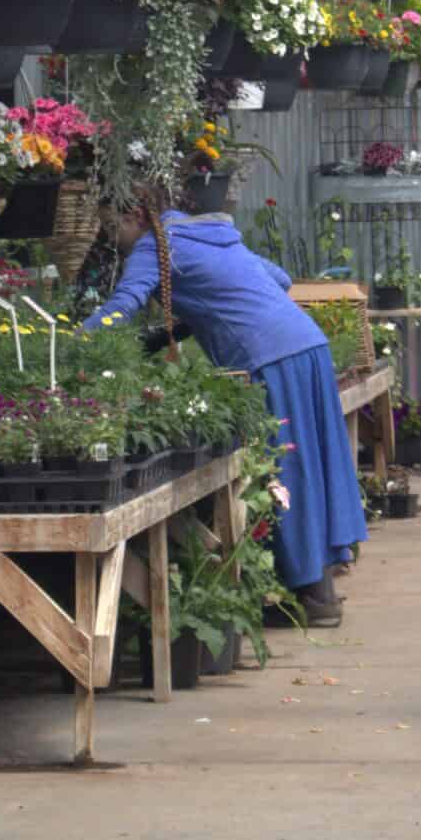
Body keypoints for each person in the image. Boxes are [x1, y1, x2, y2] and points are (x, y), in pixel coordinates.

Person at [86, 199, 364, 626]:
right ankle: (318, 589)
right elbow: (280, 278)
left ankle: (315, 596)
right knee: (312, 465)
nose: (111, 240)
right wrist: (189, 322)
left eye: (112, 228)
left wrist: (71, 347)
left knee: (284, 470)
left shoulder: (155, 245)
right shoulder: (209, 232)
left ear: (134, 217)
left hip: (268, 357)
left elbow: (122, 307)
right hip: (308, 346)